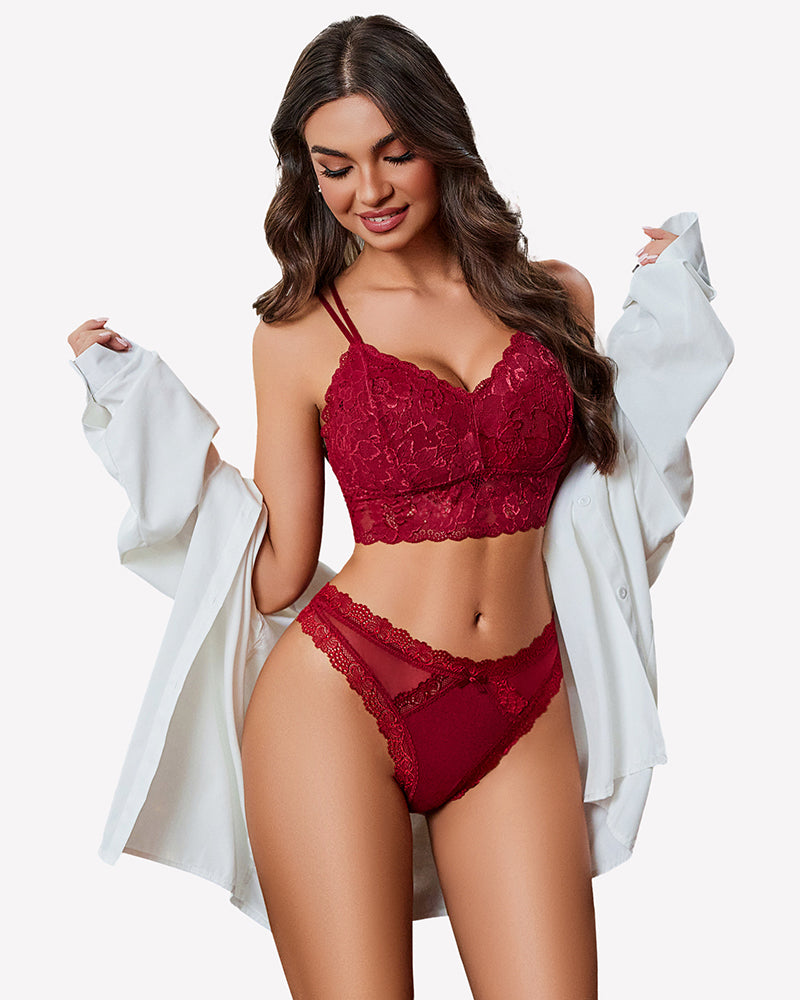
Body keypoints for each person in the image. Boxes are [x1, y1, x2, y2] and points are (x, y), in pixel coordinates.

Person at [66, 14, 733, 1000]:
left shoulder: (553, 299)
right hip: (340, 698)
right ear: (306, 174)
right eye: (333, 167)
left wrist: (672, 302)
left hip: (521, 697)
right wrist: (146, 423)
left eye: (393, 154)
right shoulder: (297, 334)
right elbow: (280, 571)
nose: (368, 192)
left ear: (440, 139)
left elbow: (613, 471)